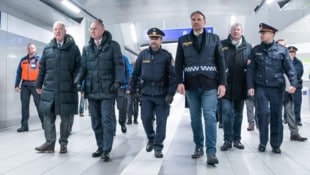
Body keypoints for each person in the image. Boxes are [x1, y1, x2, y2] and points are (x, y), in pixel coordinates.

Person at [175, 11, 226, 166]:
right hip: (191, 85)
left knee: (210, 117)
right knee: (195, 119)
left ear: (204, 22)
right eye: (193, 20)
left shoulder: (214, 39)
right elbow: (178, 64)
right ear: (191, 22)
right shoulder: (183, 40)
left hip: (210, 84)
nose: (196, 22)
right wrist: (179, 81)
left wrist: (222, 83)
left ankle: (211, 152)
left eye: (199, 19)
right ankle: (199, 146)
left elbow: (221, 63)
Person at [75, 19, 124, 162]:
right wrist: (78, 80)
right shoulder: (87, 48)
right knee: (96, 121)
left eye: (95, 28)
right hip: (91, 90)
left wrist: (117, 81)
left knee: (107, 120)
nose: (92, 31)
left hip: (108, 89)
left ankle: (107, 150)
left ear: (102, 29)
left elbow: (119, 66)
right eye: (90, 29)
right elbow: (83, 68)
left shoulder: (113, 46)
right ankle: (100, 147)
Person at [247, 23, 297, 154]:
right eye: (261, 33)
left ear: (272, 34)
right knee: (262, 114)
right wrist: (250, 86)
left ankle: (275, 144)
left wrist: (293, 84)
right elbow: (251, 70)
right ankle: (263, 142)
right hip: (261, 87)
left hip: (276, 88)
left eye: (264, 32)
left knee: (276, 115)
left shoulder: (282, 50)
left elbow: (290, 69)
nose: (261, 35)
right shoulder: (256, 50)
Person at [34, 21, 81, 154]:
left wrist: (76, 81)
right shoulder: (48, 48)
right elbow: (42, 68)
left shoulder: (73, 48)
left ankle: (63, 143)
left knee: (66, 118)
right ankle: (49, 143)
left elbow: (79, 67)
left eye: (60, 29)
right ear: (53, 31)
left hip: (67, 88)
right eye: (55, 29)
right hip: (50, 89)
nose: (58, 31)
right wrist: (38, 83)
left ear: (65, 31)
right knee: (48, 116)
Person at [130, 27, 176, 158]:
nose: (154, 40)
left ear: (161, 40)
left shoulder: (166, 56)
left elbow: (173, 76)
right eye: (151, 38)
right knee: (145, 118)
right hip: (146, 93)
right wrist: (131, 89)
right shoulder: (142, 55)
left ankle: (158, 146)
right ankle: (151, 137)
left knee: (162, 121)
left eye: (156, 38)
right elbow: (135, 74)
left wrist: (171, 93)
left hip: (162, 94)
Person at [220, 23, 252, 151]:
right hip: (226, 87)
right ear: (230, 31)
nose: (236, 31)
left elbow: (251, 67)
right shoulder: (222, 45)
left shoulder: (248, 47)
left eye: (238, 29)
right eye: (233, 29)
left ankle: (237, 139)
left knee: (238, 115)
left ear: (242, 31)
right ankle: (227, 140)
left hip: (241, 87)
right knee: (226, 113)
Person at [276, 40, 307, 142]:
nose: (284, 48)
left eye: (284, 46)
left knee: (290, 112)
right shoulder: (273, 57)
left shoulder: (287, 58)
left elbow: (294, 73)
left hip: (288, 89)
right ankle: (275, 136)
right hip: (276, 90)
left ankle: (294, 134)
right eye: (281, 45)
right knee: (275, 113)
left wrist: (293, 84)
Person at [15, 43, 44, 132]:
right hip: (25, 86)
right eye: (29, 48)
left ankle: (45, 124)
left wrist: (42, 85)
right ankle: (24, 126)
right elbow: (18, 73)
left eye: (32, 48)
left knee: (39, 105)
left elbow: (43, 73)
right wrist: (16, 85)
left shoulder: (39, 60)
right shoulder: (23, 60)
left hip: (36, 85)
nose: (30, 49)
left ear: (35, 49)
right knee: (24, 106)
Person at [116, 55, 133, 133]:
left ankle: (122, 122)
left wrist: (129, 86)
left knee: (122, 107)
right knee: (108, 109)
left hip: (122, 87)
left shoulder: (124, 58)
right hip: (109, 87)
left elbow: (129, 71)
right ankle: (111, 128)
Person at [287, 46, 304, 126]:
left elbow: (299, 73)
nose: (291, 54)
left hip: (296, 86)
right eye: (290, 52)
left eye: (293, 52)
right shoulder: (285, 62)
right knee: (287, 103)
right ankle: (286, 119)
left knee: (297, 103)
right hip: (287, 86)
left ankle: (297, 119)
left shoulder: (298, 62)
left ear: (295, 53)